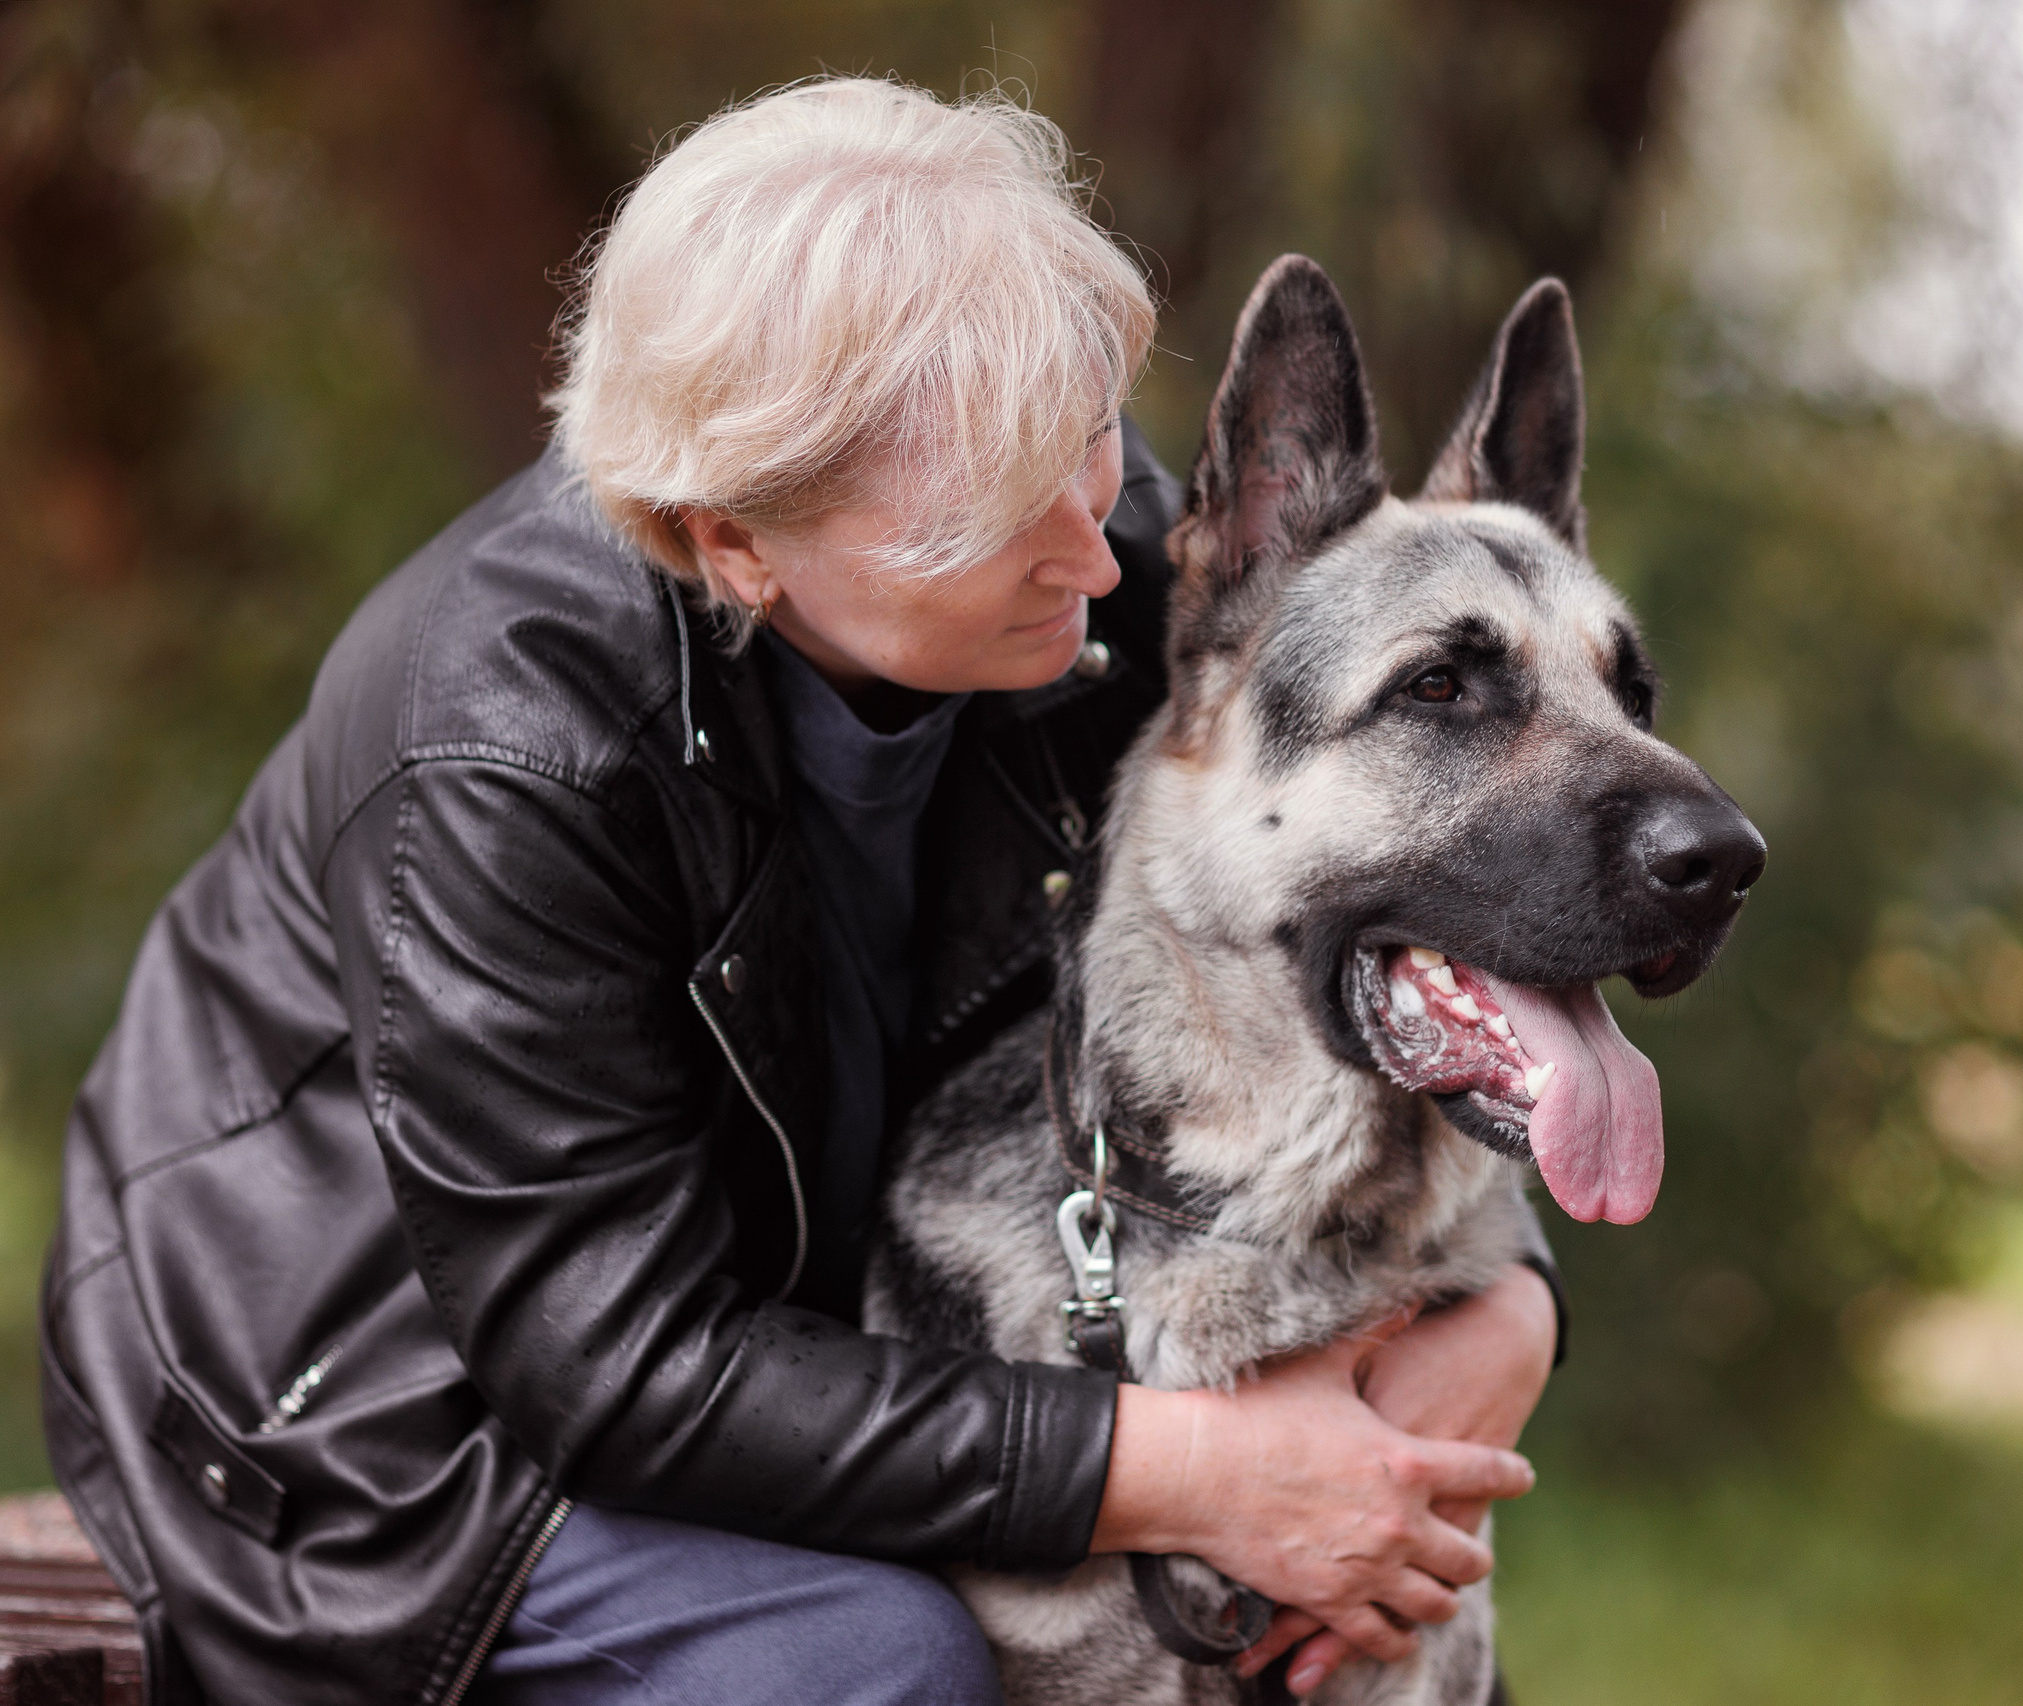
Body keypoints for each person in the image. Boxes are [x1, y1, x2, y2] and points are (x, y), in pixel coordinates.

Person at [40, 76, 1561, 1706]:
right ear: (735, 538)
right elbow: (612, 1363)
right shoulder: (500, 750)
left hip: (814, 1328)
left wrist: (1509, 1310)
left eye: (1091, 435)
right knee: (875, 1661)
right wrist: (1205, 1470)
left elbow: (1366, 915)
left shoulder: (1085, 578)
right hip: (372, 1418)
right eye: (997, 508)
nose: (1105, 541)